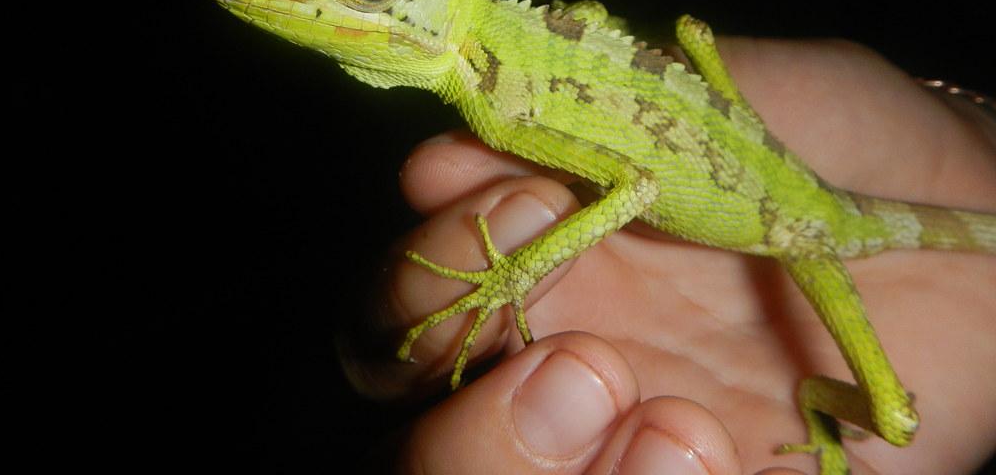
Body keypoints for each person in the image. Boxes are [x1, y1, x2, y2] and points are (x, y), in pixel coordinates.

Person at [341, 36, 996, 474]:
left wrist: (516, 273)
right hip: (774, 192)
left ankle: (819, 399)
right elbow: (686, 39)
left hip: (807, 228)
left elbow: (640, 173)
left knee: (896, 421)